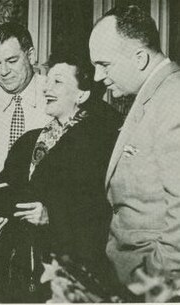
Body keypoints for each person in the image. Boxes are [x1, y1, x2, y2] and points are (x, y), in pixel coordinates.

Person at [0, 51, 122, 302]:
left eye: (58, 82)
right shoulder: (28, 141)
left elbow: (103, 211)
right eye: (47, 80)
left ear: (82, 95)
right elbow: (2, 195)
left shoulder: (102, 144)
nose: (46, 89)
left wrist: (52, 216)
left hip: (71, 275)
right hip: (20, 270)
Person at [90, 5, 180, 285]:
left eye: (104, 65)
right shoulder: (152, 96)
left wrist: (155, 283)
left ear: (140, 57)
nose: (97, 77)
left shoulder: (174, 100)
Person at [0, 22, 51, 184]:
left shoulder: (54, 93)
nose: (4, 72)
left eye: (12, 61)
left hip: (42, 195)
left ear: (31, 56)